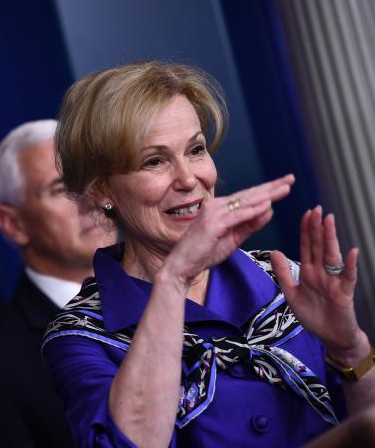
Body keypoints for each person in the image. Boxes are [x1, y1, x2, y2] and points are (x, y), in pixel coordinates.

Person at [41, 61, 375, 447]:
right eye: (154, 161)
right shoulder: (81, 334)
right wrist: (176, 275)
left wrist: (350, 347)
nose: (188, 179)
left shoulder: (286, 281)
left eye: (196, 150)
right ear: (102, 191)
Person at [0, 120, 115, 448]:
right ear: (13, 224)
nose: (91, 200)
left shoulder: (182, 296)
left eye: (94, 178)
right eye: (63, 188)